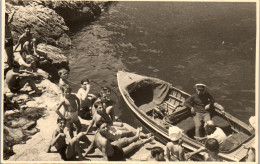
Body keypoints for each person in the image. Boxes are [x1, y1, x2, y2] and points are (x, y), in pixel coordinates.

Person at [84, 122, 154, 161]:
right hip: (115, 155)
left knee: (125, 139)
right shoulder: (104, 141)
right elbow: (105, 157)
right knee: (133, 145)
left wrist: (85, 154)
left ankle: (137, 135)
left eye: (106, 126)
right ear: (98, 129)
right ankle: (147, 140)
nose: (106, 129)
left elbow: (92, 145)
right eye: (103, 128)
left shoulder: (97, 134)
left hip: (112, 147)